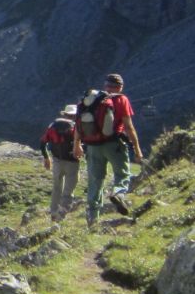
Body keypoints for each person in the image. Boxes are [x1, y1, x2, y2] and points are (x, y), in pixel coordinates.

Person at [72, 73, 144, 227]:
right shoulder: (120, 99)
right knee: (122, 174)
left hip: (92, 147)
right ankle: (118, 194)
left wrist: (76, 145)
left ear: (105, 85)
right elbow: (129, 127)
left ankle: (92, 217)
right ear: (120, 87)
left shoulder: (90, 100)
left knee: (95, 181)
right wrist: (137, 149)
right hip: (114, 145)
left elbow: (78, 124)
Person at [40, 104, 81, 223]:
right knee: (68, 190)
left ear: (65, 114)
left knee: (57, 187)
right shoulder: (76, 126)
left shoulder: (52, 126)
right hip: (72, 162)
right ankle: (61, 216)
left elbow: (43, 142)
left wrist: (47, 158)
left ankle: (53, 213)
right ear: (74, 115)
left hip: (57, 161)